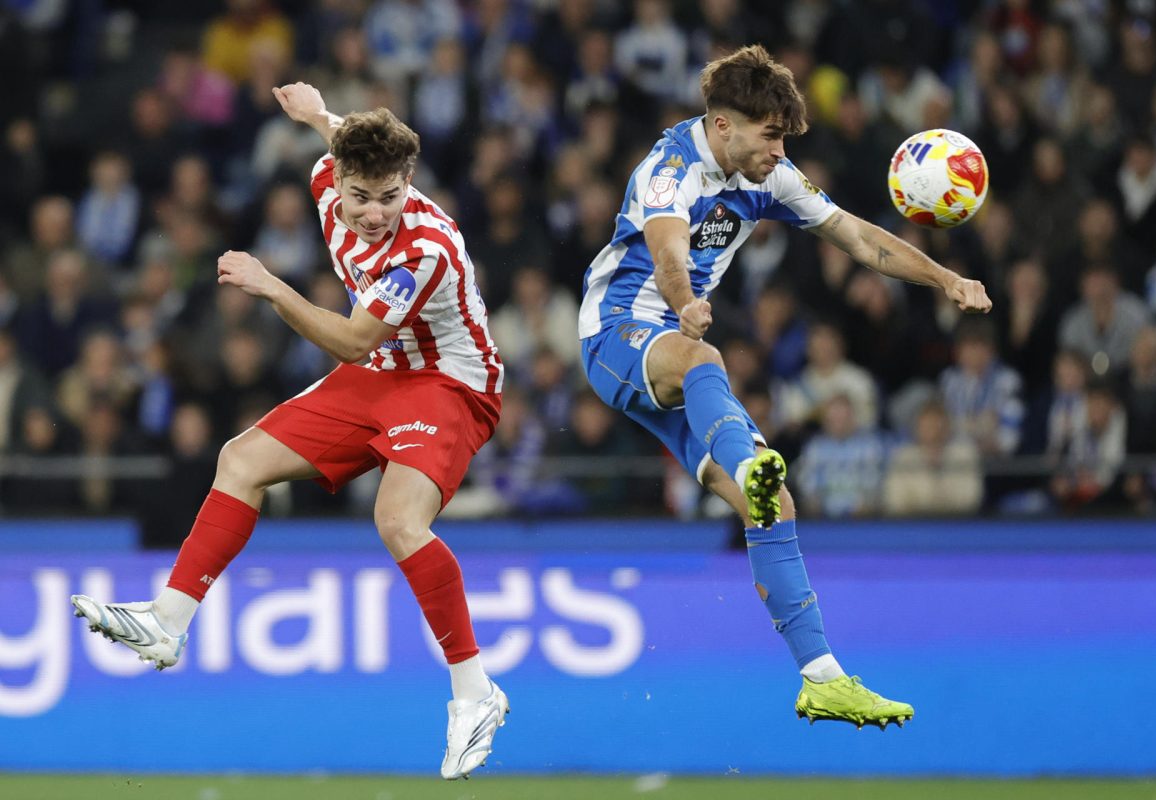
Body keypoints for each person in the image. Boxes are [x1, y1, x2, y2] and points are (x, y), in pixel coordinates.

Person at [70, 83, 507, 780]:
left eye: (390, 197)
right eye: (361, 196)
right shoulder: (328, 177)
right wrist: (317, 113)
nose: (374, 213)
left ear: (409, 183)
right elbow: (338, 137)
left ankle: (474, 691)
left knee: (398, 521)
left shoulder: (424, 248)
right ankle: (167, 621)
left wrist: (271, 285)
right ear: (339, 179)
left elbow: (353, 341)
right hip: (384, 372)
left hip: (450, 382)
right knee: (240, 459)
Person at [578, 45, 992, 730]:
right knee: (704, 360)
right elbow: (668, 250)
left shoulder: (770, 177)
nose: (779, 151)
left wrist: (944, 279)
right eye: (770, 135)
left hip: (676, 345)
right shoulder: (669, 170)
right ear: (722, 125)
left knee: (773, 508)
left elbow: (857, 237)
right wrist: (684, 303)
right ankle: (749, 463)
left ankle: (822, 678)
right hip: (616, 330)